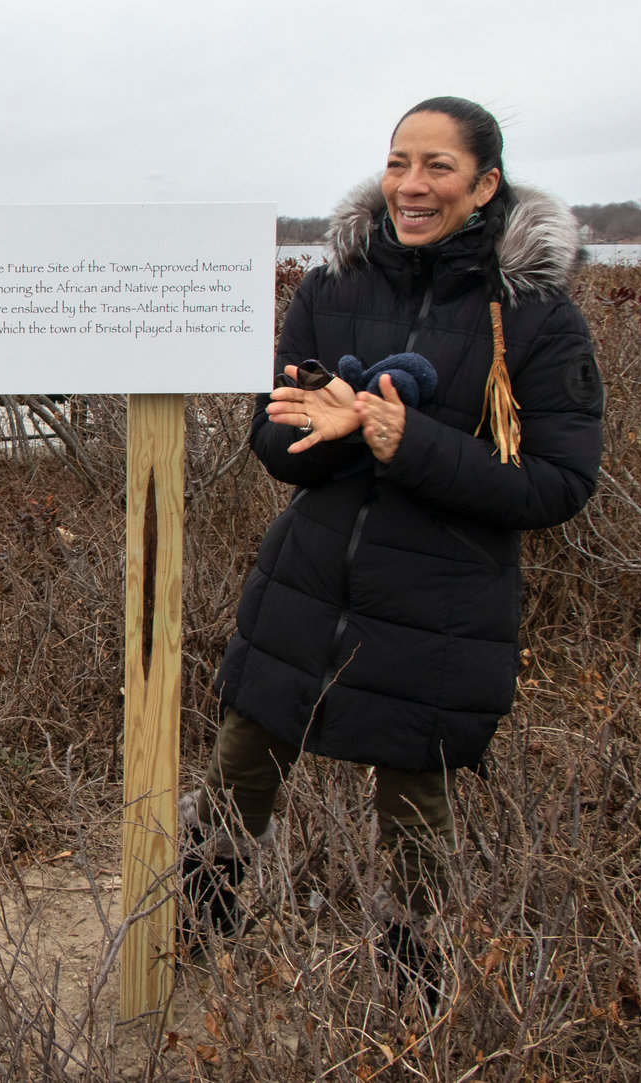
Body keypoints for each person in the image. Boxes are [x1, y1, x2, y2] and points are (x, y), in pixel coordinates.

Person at [181, 97, 604, 996]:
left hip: (441, 613)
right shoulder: (333, 287)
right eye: (399, 161)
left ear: (485, 185)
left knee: (415, 822)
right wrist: (327, 431)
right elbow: (273, 446)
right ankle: (184, 960)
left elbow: (557, 486)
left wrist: (399, 439)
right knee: (234, 781)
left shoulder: (534, 319)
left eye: (438, 167)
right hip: (300, 595)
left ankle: (413, 1010)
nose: (412, 186)